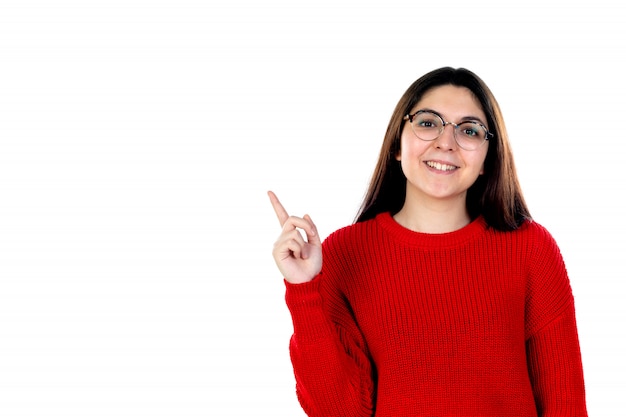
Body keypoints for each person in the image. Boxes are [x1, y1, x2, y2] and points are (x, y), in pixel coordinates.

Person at [268, 67, 587, 416]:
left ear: (485, 161)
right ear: (397, 146)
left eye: (469, 130)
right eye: (427, 123)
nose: (445, 143)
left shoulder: (530, 248)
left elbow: (566, 404)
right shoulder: (345, 254)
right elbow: (338, 410)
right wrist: (303, 290)